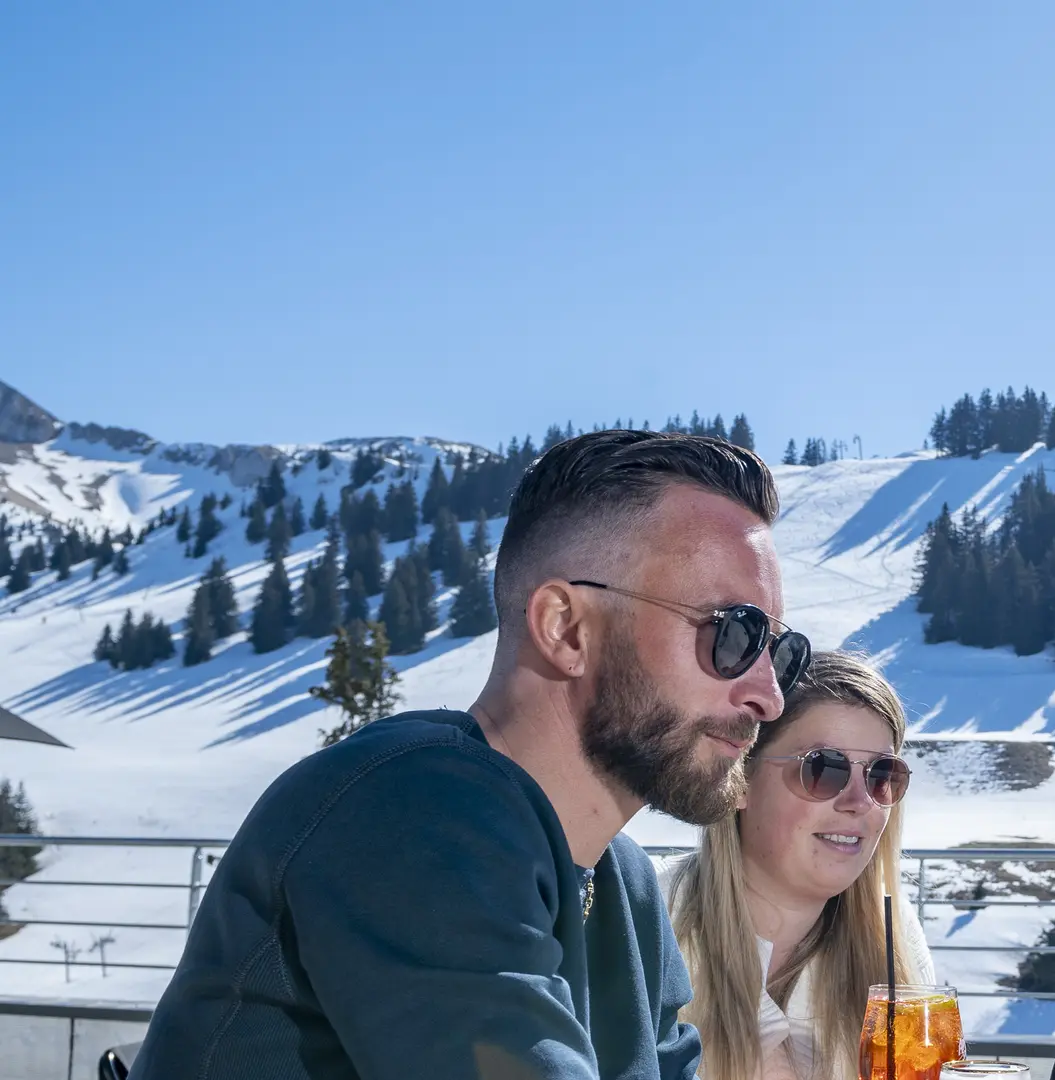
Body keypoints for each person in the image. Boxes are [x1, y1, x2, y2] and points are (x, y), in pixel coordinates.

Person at [133, 430, 813, 1080]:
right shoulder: (413, 811)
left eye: (782, 653)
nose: (769, 695)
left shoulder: (621, 885)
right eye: (734, 634)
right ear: (565, 628)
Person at [660, 650, 934, 1080]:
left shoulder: (894, 940)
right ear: (739, 779)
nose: (859, 802)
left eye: (881, 775)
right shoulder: (650, 917)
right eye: (824, 769)